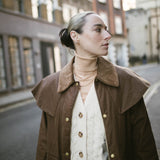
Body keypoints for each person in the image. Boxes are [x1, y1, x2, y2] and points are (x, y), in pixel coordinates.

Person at [32, 11, 159, 160]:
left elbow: (144, 147)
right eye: (98, 29)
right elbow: (44, 148)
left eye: (106, 29)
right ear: (75, 36)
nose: (108, 35)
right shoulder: (51, 86)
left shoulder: (126, 82)